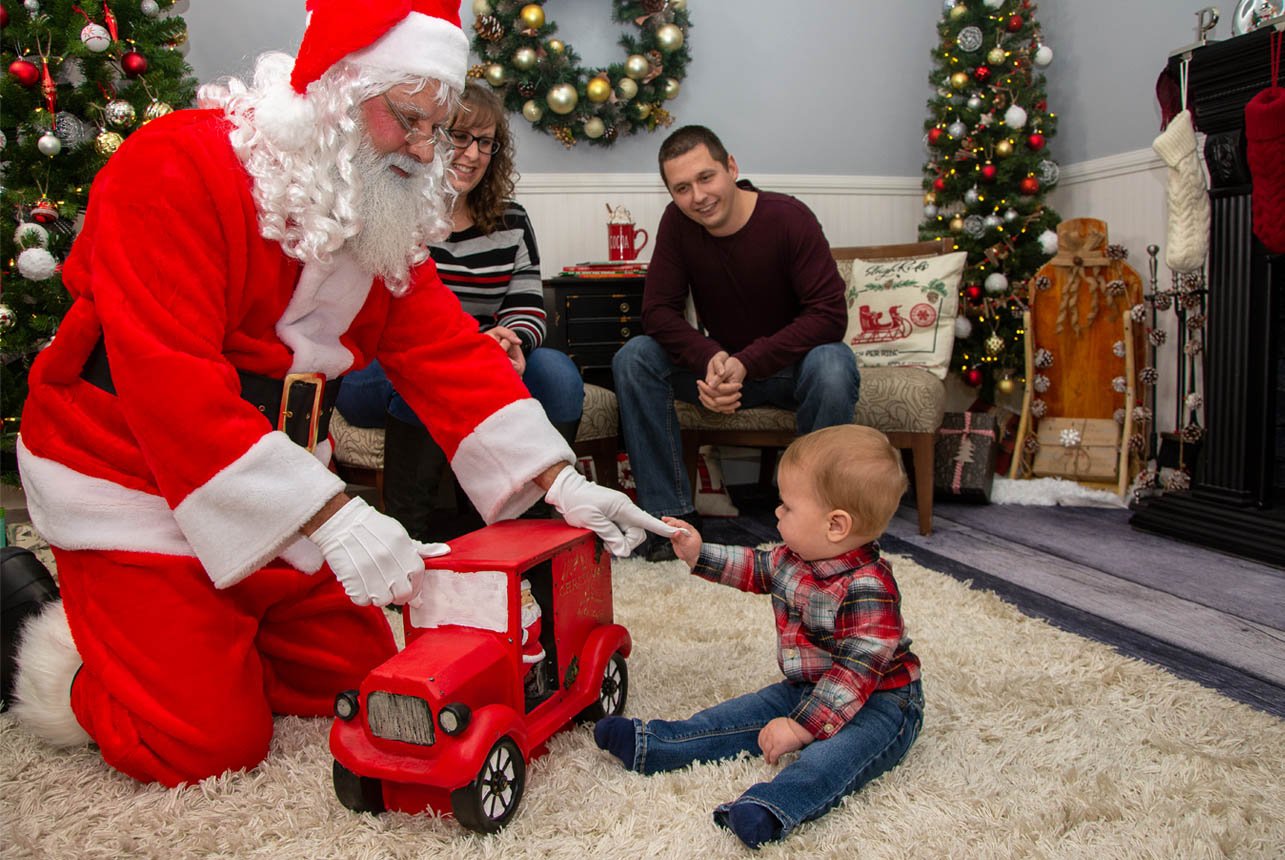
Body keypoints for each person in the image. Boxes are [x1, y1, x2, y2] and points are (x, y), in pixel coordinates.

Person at [2, 0, 671, 788]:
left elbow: (445, 351)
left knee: (363, 687)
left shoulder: (365, 206)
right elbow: (168, 383)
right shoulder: (172, 164)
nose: (426, 151)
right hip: (130, 475)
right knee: (202, 747)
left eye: (442, 129)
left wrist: (563, 484)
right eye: (410, 120)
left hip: (278, 482)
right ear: (336, 90)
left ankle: (209, 635)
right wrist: (333, 511)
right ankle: (44, 633)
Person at [594, 425, 923, 849]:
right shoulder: (796, 556)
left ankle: (771, 807)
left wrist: (801, 727)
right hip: (810, 685)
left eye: (787, 506)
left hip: (883, 700)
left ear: (836, 525)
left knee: (831, 760)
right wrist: (699, 553)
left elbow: (854, 674)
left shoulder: (870, 587)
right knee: (734, 717)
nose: (777, 514)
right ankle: (654, 743)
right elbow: (756, 567)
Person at [337, 80, 583, 540]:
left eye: (486, 142)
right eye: (460, 136)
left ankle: (518, 526)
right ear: (432, 136)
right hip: (386, 365)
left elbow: (528, 307)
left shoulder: (511, 219)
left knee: (559, 374)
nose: (472, 154)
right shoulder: (393, 203)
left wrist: (509, 340)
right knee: (418, 382)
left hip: (487, 355)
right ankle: (412, 534)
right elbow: (393, 321)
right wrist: (476, 346)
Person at [612, 125, 860, 561]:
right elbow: (659, 313)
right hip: (721, 371)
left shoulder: (788, 218)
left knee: (834, 363)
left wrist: (746, 361)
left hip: (792, 372)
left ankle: (818, 518)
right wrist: (712, 358)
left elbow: (828, 314)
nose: (698, 197)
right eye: (682, 188)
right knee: (635, 357)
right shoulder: (678, 223)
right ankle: (671, 521)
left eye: (706, 178)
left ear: (732, 168)